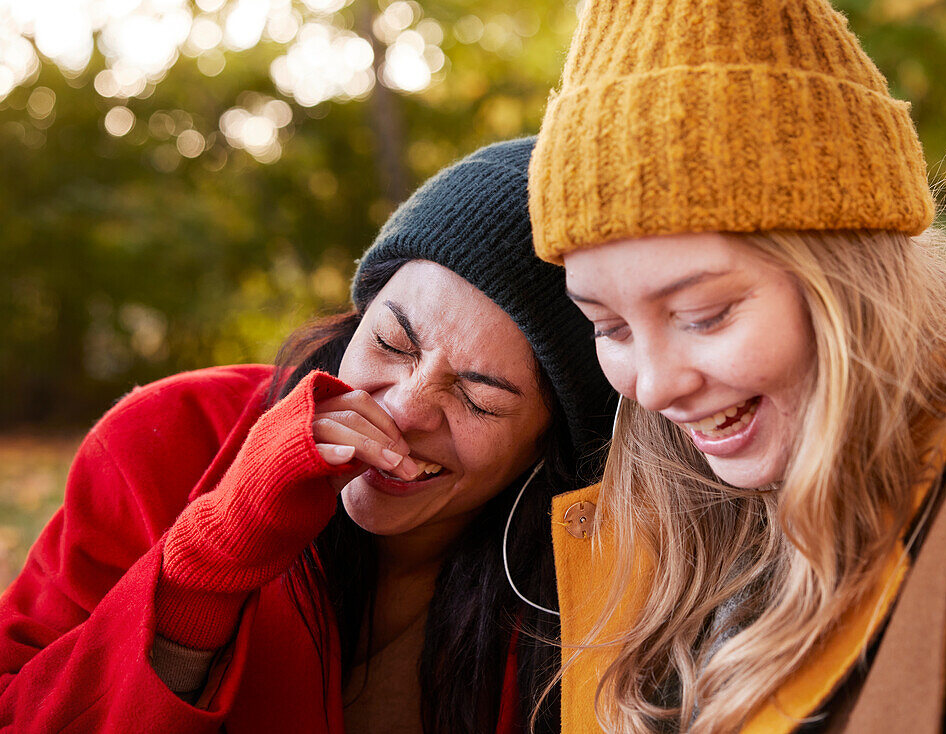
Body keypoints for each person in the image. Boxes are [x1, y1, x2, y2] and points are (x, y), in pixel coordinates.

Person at [527, 1, 946, 732]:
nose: (656, 385)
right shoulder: (673, 488)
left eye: (704, 316)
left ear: (845, 277)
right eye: (607, 327)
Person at [0, 138, 615, 733]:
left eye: (477, 399)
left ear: (550, 439)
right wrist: (212, 559)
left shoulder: (604, 566)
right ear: (358, 315)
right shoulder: (165, 438)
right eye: (390, 344)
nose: (403, 411)